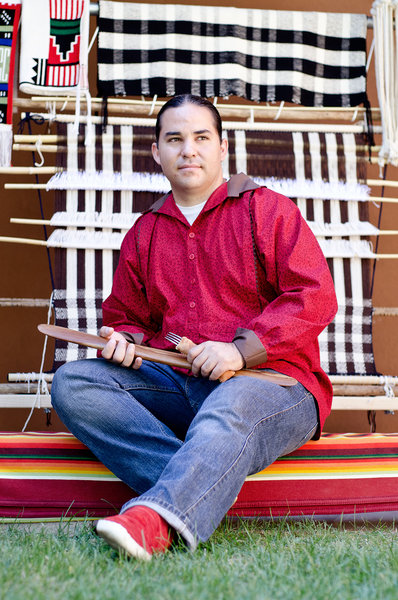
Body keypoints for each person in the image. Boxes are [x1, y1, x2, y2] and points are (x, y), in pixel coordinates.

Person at [51, 94, 338, 561]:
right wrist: (125, 341)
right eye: (175, 139)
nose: (189, 150)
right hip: (179, 385)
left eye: (201, 138)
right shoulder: (145, 232)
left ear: (222, 147)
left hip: (274, 385)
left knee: (232, 400)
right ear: (157, 153)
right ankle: (207, 481)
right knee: (75, 383)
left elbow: (315, 296)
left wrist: (240, 352)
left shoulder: (266, 211)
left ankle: (152, 521)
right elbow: (126, 317)